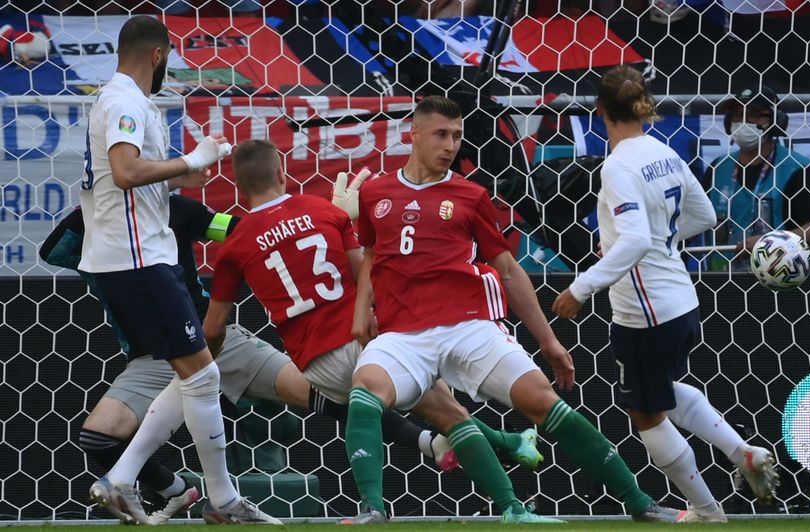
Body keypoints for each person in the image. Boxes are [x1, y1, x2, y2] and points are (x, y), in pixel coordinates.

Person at [343, 95, 678, 525]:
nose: (451, 145)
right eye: (442, 134)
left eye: (458, 136)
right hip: (403, 334)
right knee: (364, 389)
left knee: (543, 401)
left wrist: (549, 341)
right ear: (415, 134)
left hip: (469, 325)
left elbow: (508, 270)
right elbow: (373, 256)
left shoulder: (471, 195)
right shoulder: (375, 194)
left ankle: (640, 503)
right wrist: (361, 311)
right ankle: (373, 510)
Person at [40, 196, 465, 523]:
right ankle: (177, 491)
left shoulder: (178, 211)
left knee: (315, 389)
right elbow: (51, 251)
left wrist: (311, 223)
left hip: (220, 339)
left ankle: (426, 442)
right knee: (99, 437)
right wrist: (95, 206)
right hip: (153, 358)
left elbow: (238, 231)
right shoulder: (95, 235)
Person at [202, 140, 545, 524]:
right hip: (359, 338)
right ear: (282, 174)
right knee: (447, 411)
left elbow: (215, 326)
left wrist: (202, 364)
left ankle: (509, 445)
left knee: (433, 406)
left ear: (237, 185)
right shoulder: (322, 211)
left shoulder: (234, 245)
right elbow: (362, 273)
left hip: (315, 362)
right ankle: (511, 503)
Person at [551, 65, 780, 523]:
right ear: (643, 107)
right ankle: (743, 454)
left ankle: (706, 511)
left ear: (600, 111)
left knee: (646, 413)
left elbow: (635, 240)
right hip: (681, 301)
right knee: (666, 393)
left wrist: (581, 287)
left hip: (645, 313)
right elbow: (702, 215)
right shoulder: (663, 151)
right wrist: (661, 242)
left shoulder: (617, 164)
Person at [79, 15, 276, 525]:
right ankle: (221, 500)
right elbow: (125, 172)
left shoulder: (121, 100)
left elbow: (134, 182)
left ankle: (127, 478)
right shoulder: (124, 101)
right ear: (159, 55)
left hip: (136, 257)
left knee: (193, 375)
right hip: (137, 259)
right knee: (203, 374)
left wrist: (190, 172)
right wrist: (192, 162)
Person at [704, 85, 810, 270]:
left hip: (784, 280)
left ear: (776, 120)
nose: (743, 122)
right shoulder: (718, 168)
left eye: (753, 115)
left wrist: (773, 243)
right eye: (737, 115)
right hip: (724, 284)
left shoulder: (797, 169)